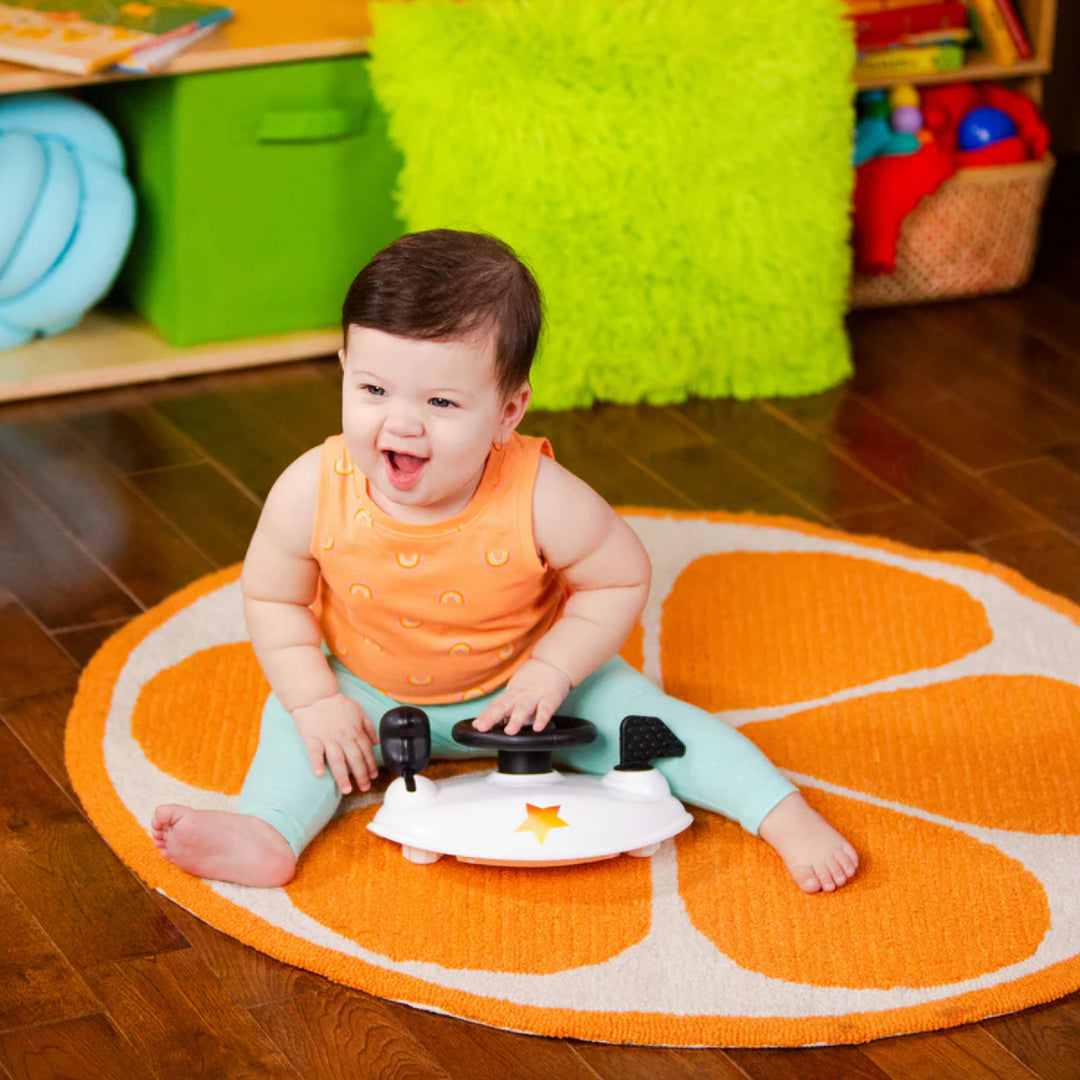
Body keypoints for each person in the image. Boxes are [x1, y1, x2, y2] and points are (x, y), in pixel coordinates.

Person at [151, 229, 859, 894]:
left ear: (509, 411)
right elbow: (274, 599)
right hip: (370, 688)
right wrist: (316, 701)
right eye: (372, 390)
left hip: (528, 691)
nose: (400, 422)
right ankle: (267, 831)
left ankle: (777, 810)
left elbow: (619, 575)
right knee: (295, 730)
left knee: (653, 724)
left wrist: (553, 671)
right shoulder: (311, 487)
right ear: (343, 370)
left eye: (441, 401)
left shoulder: (540, 496)